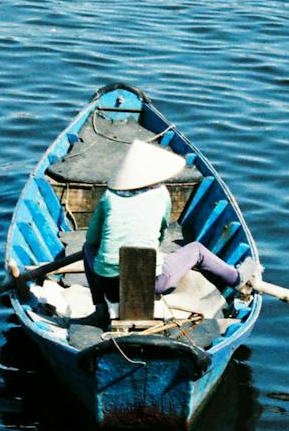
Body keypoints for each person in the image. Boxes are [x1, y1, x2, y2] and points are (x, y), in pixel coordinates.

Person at [83, 139, 261, 324]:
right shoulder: (161, 195)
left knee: (87, 248)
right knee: (197, 250)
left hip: (108, 283)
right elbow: (160, 234)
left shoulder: (109, 196)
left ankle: (101, 306)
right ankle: (236, 279)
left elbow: (92, 239)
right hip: (152, 283)